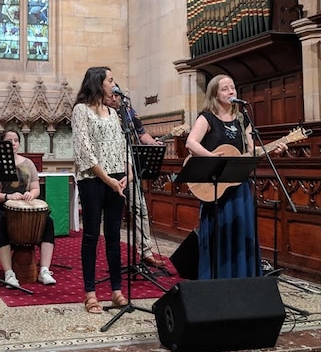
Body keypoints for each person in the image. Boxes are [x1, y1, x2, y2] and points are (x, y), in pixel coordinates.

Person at [184, 74, 285, 280]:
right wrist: (211, 157)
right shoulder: (207, 117)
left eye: (233, 87)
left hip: (239, 185)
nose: (231, 92)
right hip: (215, 186)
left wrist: (272, 149)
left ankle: (242, 279)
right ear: (215, 94)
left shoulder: (242, 119)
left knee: (240, 232)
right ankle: (216, 278)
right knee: (219, 233)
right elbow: (191, 143)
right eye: (225, 89)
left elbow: (250, 150)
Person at [72, 66, 131, 314]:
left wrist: (126, 173)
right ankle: (90, 293)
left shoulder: (113, 112)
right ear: (98, 82)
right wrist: (107, 179)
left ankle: (116, 290)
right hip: (94, 180)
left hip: (118, 179)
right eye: (110, 79)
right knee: (92, 236)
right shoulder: (81, 111)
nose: (113, 83)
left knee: (114, 236)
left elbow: (123, 143)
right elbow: (83, 148)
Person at [0, 130, 57, 287]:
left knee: (48, 222)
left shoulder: (28, 163)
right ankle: (9, 274)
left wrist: (31, 194)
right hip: (1, 207)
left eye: (16, 140)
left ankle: (44, 270)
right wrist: (7, 197)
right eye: (9, 140)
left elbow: (35, 187)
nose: (13, 143)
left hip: (24, 206)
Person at [104, 92, 165, 268]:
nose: (114, 98)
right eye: (111, 95)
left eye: (117, 95)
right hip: (109, 168)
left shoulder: (128, 111)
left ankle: (146, 251)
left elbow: (141, 133)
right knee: (111, 214)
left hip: (130, 167)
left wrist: (153, 143)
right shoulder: (102, 112)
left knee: (140, 209)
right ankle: (111, 255)